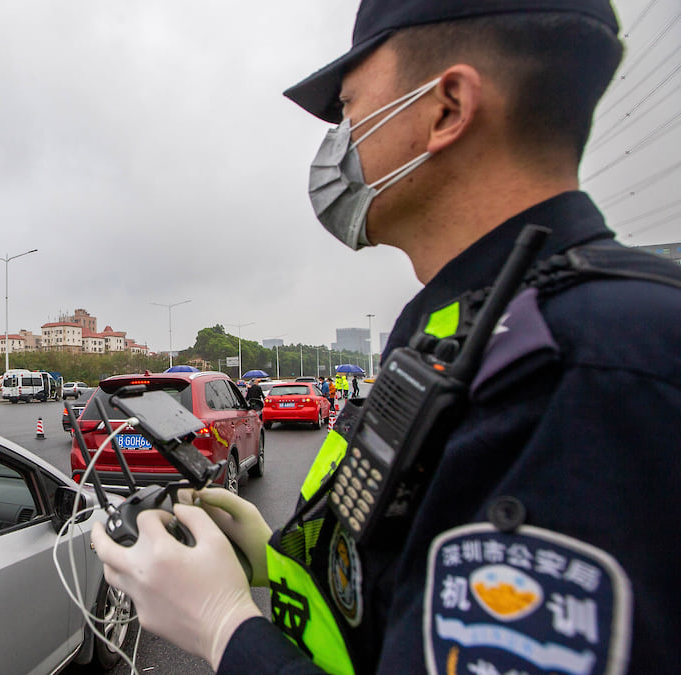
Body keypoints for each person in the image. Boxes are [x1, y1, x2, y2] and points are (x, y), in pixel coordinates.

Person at [91, 1, 681, 672]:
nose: (338, 141)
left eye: (348, 109)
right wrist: (275, 554)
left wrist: (226, 629)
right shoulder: (456, 325)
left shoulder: (598, 366)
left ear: (448, 106)